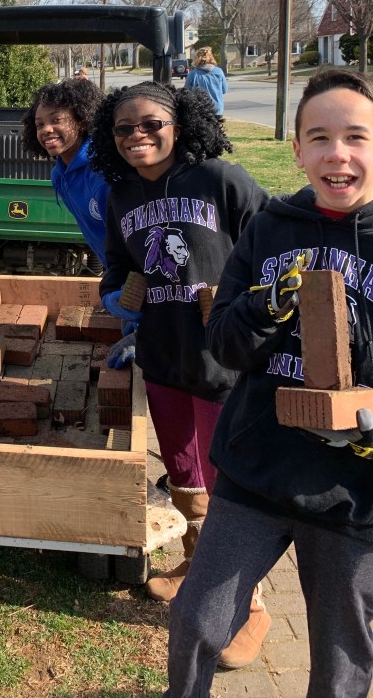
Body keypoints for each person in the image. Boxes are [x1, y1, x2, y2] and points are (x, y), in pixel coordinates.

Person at [166, 68, 373, 697]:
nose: (338, 153)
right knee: (197, 621)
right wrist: (266, 306)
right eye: (319, 137)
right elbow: (224, 344)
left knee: (340, 663)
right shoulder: (270, 228)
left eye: (357, 137)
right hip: (256, 467)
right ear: (297, 149)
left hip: (352, 493)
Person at [89, 81, 268, 621]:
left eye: (151, 125)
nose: (137, 135)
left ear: (180, 125)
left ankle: (245, 601)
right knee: (185, 471)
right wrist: (114, 294)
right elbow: (118, 264)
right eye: (124, 128)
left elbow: (272, 248)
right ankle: (196, 559)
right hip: (163, 358)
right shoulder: (122, 194)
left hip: (223, 364)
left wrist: (246, 307)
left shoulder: (220, 179)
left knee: (227, 480)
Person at [21, 76, 110, 268]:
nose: (46, 129)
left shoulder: (103, 171)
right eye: (40, 124)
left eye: (56, 120)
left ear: (82, 121)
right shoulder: (59, 176)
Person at [185, 46, 228, 115]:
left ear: (197, 58)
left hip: (200, 110)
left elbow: (186, 92)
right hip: (217, 109)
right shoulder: (219, 72)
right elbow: (224, 90)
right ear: (211, 57)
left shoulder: (192, 74)